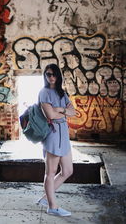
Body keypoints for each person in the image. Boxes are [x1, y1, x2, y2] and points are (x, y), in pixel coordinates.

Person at [35, 63, 76, 217]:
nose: (51, 77)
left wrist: (60, 110)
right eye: (48, 74)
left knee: (67, 171)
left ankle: (46, 198)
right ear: (45, 76)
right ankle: (52, 206)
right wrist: (63, 113)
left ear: (58, 76)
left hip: (63, 134)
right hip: (52, 135)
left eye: (53, 74)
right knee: (51, 172)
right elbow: (50, 116)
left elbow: (74, 112)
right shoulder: (44, 92)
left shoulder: (61, 93)